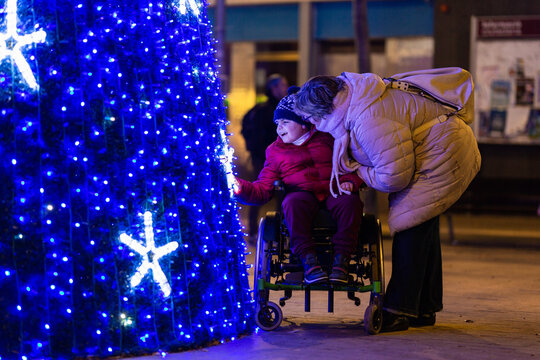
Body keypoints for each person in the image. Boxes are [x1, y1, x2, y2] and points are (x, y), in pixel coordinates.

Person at [294, 70, 481, 331]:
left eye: (311, 117)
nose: (311, 123)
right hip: (441, 147)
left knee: (410, 227)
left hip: (441, 154)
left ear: (324, 110)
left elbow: (394, 177)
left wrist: (358, 170)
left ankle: (398, 310)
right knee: (423, 229)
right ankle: (423, 308)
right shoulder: (357, 97)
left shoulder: (368, 118)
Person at [235, 88, 364, 284]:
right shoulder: (275, 151)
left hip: (334, 190)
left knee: (351, 203)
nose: (280, 128)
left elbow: (353, 166)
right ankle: (308, 260)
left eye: (285, 122)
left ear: (304, 124)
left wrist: (351, 182)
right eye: (277, 123)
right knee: (292, 203)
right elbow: (262, 189)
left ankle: (341, 260)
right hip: (302, 194)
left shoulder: (329, 138)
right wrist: (239, 187)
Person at [241, 74, 289, 245]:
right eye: (282, 85)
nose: (285, 87)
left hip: (272, 158)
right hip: (264, 159)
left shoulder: (275, 107)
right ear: (273, 88)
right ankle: (256, 232)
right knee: (260, 192)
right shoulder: (266, 110)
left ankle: (276, 231)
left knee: (279, 195)